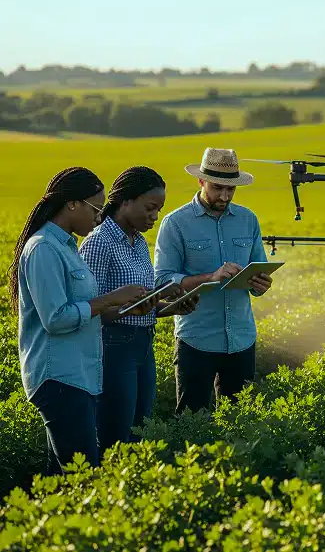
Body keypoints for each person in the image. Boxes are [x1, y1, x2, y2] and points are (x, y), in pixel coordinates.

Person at [8, 167, 146, 475]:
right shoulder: (43, 248)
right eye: (95, 209)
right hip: (59, 378)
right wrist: (111, 297)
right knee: (83, 476)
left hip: (77, 376)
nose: (99, 218)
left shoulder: (66, 247)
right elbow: (56, 319)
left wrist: (125, 307)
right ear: (72, 204)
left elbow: (85, 311)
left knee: (58, 478)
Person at [78, 166, 197, 454]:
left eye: (158, 210)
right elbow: (92, 311)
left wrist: (173, 307)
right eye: (150, 208)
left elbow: (145, 307)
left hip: (144, 346)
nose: (154, 217)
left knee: (139, 428)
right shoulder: (98, 242)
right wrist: (131, 309)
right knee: (116, 434)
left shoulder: (139, 243)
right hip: (113, 346)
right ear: (125, 201)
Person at [154, 148, 273, 414]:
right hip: (197, 339)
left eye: (231, 189)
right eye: (218, 188)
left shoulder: (248, 219)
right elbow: (162, 280)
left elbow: (258, 269)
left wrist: (261, 285)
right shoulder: (175, 223)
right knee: (190, 421)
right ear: (201, 181)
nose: (225, 196)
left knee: (239, 422)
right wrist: (210, 277)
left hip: (242, 338)